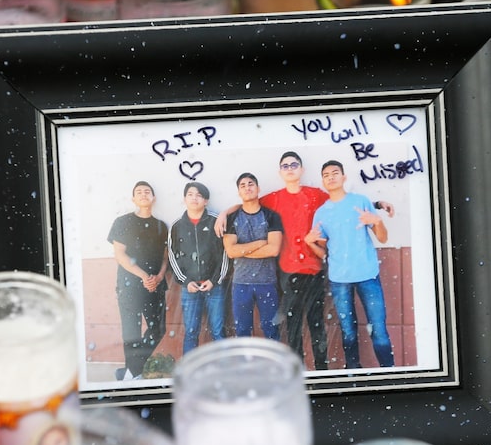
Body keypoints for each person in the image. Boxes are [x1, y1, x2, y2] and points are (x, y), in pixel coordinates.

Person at [216, 152, 392, 370]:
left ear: (301, 170)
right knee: (293, 326)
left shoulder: (316, 195)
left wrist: (376, 203)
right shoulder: (274, 198)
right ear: (280, 172)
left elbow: (341, 201)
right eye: (285, 166)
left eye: (294, 164)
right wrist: (224, 212)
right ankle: (296, 371)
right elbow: (249, 202)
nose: (290, 168)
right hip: (287, 272)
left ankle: (321, 371)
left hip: (314, 269)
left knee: (317, 324)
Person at [308, 159, 395, 369]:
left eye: (335, 172)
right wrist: (310, 243)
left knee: (379, 329)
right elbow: (322, 252)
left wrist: (377, 221)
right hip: (339, 279)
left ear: (344, 177)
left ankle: (391, 373)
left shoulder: (361, 201)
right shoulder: (321, 213)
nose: (331, 177)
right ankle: (353, 374)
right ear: (323, 181)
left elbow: (382, 238)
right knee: (348, 331)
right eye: (326, 174)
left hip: (367, 274)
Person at [107, 181, 169, 380]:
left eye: (147, 191)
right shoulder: (122, 222)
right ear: (133, 199)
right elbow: (120, 255)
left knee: (158, 328)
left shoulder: (161, 226)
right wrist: (143, 276)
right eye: (139, 192)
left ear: (153, 198)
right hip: (130, 285)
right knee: (131, 329)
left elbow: (165, 256)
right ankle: (134, 374)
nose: (143, 194)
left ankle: (131, 370)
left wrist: (159, 276)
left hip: (156, 285)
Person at [168, 182, 230, 355]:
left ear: (206, 201)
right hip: (190, 289)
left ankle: (225, 372)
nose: (194, 198)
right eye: (190, 194)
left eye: (199, 195)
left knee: (218, 331)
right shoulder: (177, 226)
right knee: (191, 332)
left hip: (214, 287)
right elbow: (173, 256)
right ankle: (190, 373)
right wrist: (186, 282)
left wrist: (214, 280)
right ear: (184, 199)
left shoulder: (215, 221)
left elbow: (225, 254)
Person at [223, 173, 283, 340]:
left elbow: (273, 250)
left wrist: (243, 250)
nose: (247, 187)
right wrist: (260, 243)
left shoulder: (271, 216)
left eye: (250, 184)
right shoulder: (232, 218)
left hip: (267, 282)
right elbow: (231, 252)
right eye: (242, 185)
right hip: (241, 283)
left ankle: (273, 366)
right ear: (238, 192)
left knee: (271, 330)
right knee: (242, 331)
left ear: (258, 189)